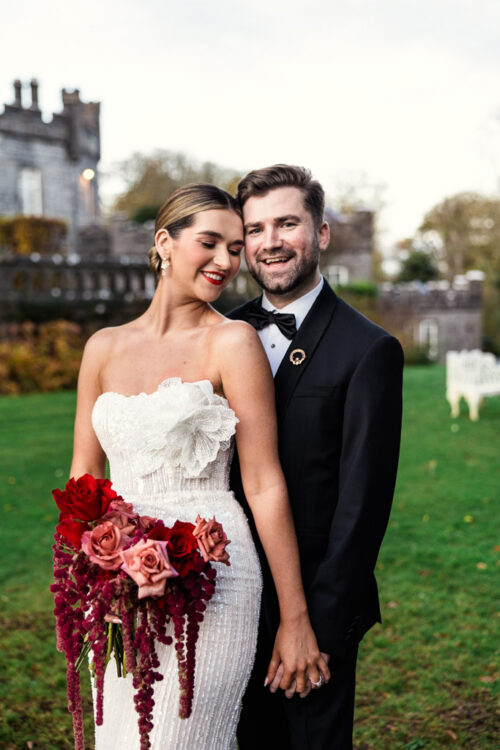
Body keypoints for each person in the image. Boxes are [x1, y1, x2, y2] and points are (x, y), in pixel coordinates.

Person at [69, 183, 329, 749]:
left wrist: (294, 616)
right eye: (210, 243)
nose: (226, 262)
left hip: (215, 578)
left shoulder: (233, 341)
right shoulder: (103, 348)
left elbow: (263, 483)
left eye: (235, 249)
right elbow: (82, 482)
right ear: (164, 242)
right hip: (115, 586)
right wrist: (95, 572)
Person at [228, 165, 404, 750]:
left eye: (287, 224)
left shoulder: (369, 349)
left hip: (313, 606)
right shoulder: (222, 334)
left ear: (321, 233)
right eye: (255, 229)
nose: (270, 242)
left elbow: (363, 507)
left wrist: (313, 626)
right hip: (224, 598)